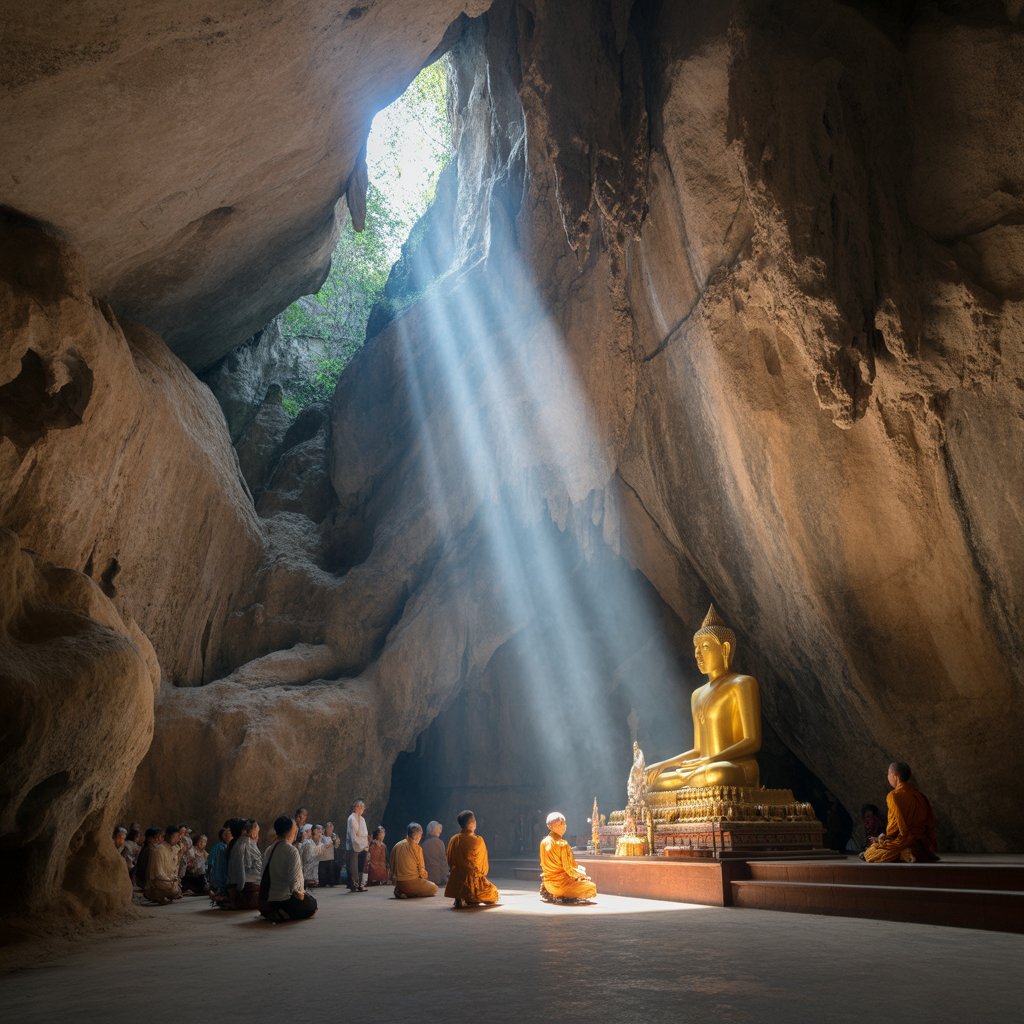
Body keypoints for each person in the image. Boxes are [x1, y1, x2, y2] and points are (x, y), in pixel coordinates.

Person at [646, 605, 762, 790]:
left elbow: (752, 741)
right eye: (696, 648)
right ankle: (691, 784)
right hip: (702, 766)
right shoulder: (697, 695)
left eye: (705, 647)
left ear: (724, 649)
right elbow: (699, 750)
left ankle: (692, 784)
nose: (698, 654)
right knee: (651, 783)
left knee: (716, 773)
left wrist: (711, 760)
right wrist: (663, 765)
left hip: (735, 767)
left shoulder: (742, 683)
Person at [863, 762, 939, 863]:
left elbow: (894, 829)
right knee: (918, 850)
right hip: (921, 842)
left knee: (870, 853)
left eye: (889, 774)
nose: (888, 777)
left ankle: (903, 853)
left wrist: (882, 839)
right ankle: (916, 852)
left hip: (903, 841)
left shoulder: (893, 796)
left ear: (895, 776)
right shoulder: (920, 796)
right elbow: (930, 823)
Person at [260, 815, 318, 922]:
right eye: (295, 829)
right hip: (285, 899)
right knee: (312, 904)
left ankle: (274, 910)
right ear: (290, 832)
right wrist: (302, 895)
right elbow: (294, 885)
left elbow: (262, 874)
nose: (297, 831)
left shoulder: (269, 849)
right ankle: (284, 912)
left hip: (269, 899)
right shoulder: (291, 851)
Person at [445, 810, 499, 908]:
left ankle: (461, 896)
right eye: (474, 820)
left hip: (456, 879)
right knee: (494, 893)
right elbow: (482, 866)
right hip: (473, 880)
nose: (475, 822)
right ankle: (471, 896)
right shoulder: (478, 840)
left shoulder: (454, 839)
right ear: (471, 824)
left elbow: (449, 860)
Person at [539, 812, 597, 903]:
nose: (565, 826)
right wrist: (583, 875)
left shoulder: (544, 842)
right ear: (560, 824)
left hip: (548, 884)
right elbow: (569, 869)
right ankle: (565, 895)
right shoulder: (562, 844)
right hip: (561, 886)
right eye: (564, 823)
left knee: (580, 871)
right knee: (591, 887)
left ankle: (555, 893)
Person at [389, 823, 438, 898]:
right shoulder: (417, 848)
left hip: (398, 883)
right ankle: (409, 893)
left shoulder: (396, 846)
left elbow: (391, 866)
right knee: (434, 888)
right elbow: (422, 871)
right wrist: (425, 879)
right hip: (412, 882)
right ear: (418, 835)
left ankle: (400, 890)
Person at [144, 825, 184, 905]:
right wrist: (170, 880)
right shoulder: (159, 850)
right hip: (158, 881)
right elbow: (158, 873)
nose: (177, 839)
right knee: (172, 889)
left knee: (177, 889)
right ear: (168, 836)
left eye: (178, 837)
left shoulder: (175, 849)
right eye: (175, 836)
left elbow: (174, 869)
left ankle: (163, 895)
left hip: (169, 881)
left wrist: (174, 879)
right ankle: (155, 894)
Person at [227, 819, 263, 909]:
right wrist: (240, 887)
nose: (257, 835)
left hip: (244, 882)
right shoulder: (244, 844)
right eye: (257, 832)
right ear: (251, 832)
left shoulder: (241, 842)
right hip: (246, 884)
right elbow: (240, 868)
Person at [346, 799, 369, 892]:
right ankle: (354, 885)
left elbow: (365, 833)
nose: (363, 809)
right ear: (356, 807)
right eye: (361, 807)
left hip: (363, 844)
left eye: (363, 807)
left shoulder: (362, 819)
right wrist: (359, 839)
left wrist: (364, 842)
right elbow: (354, 834)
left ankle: (360, 884)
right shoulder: (351, 818)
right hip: (354, 845)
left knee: (361, 865)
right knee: (353, 867)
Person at [207, 825, 232, 906]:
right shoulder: (220, 848)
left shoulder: (227, 847)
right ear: (223, 836)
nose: (232, 836)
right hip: (217, 882)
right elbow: (211, 864)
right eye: (230, 834)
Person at [134, 827, 161, 893]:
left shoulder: (150, 847)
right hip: (144, 881)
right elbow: (147, 869)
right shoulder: (151, 849)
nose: (158, 839)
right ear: (149, 838)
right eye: (155, 837)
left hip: (142, 880)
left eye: (158, 837)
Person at [421, 821, 448, 886]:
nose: (440, 832)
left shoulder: (423, 844)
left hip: (427, 879)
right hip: (438, 879)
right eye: (439, 830)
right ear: (433, 830)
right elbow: (444, 862)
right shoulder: (439, 842)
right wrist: (445, 878)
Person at [320, 822, 341, 887]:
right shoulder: (322, 835)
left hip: (332, 854)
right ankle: (323, 883)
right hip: (323, 856)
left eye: (331, 828)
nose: (329, 830)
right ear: (325, 828)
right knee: (323, 870)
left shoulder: (334, 835)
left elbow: (337, 845)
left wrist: (335, 841)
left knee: (331, 869)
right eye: (328, 828)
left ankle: (332, 882)